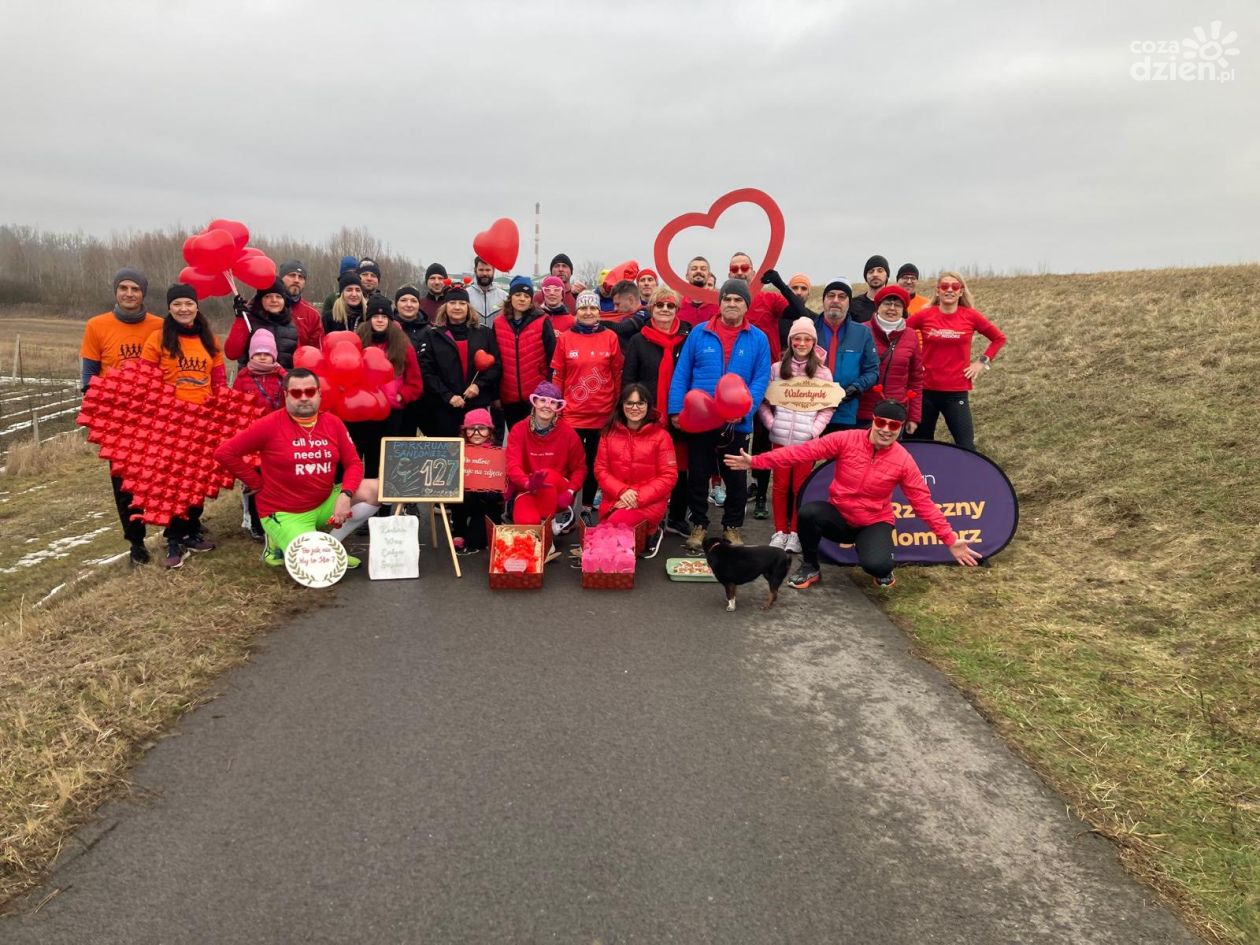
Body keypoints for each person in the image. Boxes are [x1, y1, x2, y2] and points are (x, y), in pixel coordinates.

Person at [726, 399, 981, 588]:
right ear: (873, 421)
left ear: (900, 429)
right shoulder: (847, 439)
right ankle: (811, 567)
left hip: (874, 522)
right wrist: (757, 462)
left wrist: (949, 539)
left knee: (879, 567)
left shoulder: (904, 460)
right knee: (808, 513)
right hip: (839, 515)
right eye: (881, 422)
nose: (886, 429)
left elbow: (923, 503)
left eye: (893, 426)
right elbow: (802, 452)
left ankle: (877, 560)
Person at [215, 368, 381, 570]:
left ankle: (333, 547)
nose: (304, 398)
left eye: (310, 392)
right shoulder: (268, 425)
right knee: (317, 570)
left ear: (319, 393)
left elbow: (354, 463)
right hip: (284, 511)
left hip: (323, 502)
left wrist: (345, 495)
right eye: (296, 393)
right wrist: (255, 482)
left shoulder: (333, 422)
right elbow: (225, 452)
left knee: (377, 489)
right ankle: (277, 540)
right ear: (286, 395)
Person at [667, 278, 772, 552]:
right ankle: (700, 524)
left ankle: (732, 527)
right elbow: (682, 374)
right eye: (728, 299)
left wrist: (746, 409)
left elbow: (761, 379)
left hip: (737, 423)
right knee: (698, 474)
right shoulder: (700, 333)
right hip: (701, 418)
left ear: (746, 305)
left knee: (735, 477)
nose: (732, 304)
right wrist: (676, 409)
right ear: (720, 302)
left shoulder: (758, 338)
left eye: (738, 300)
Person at [80, 267, 164, 564]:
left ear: (143, 294)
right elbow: (89, 373)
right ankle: (137, 542)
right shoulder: (97, 325)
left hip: (154, 414)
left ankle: (174, 528)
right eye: (124, 288)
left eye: (135, 289)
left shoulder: (159, 326)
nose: (129, 293)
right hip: (118, 419)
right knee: (125, 482)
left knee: (161, 475)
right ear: (116, 291)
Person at [140, 284, 226, 568]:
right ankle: (174, 538)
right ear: (169, 308)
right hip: (171, 422)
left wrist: (218, 409)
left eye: (188, 303)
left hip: (202, 421)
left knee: (197, 480)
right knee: (174, 482)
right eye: (177, 304)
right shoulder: (158, 339)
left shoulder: (208, 339)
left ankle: (191, 531)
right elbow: (147, 379)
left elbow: (219, 379)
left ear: (196, 306)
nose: (183, 309)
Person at [762, 270, 877, 433]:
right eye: (830, 295)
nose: (835, 300)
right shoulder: (808, 330)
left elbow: (872, 370)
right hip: (806, 413)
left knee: (841, 459)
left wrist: (856, 388)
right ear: (823, 300)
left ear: (849, 302)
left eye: (842, 296)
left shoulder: (862, 333)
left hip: (844, 412)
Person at [758, 317, 836, 553]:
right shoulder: (776, 368)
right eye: (797, 339)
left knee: (799, 488)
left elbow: (828, 407)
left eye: (806, 339)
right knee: (780, 487)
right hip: (780, 440)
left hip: (806, 443)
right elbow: (764, 403)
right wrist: (772, 424)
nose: (801, 343)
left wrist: (814, 431)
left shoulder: (822, 372)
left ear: (813, 342)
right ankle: (780, 531)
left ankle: (795, 533)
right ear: (791, 341)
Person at [906, 271, 1007, 451]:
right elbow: (902, 333)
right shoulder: (925, 315)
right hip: (925, 391)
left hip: (956, 392)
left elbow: (998, 338)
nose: (949, 290)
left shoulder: (970, 316)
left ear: (961, 292)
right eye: (945, 286)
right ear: (938, 291)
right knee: (921, 445)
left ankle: (968, 478)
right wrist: (912, 360)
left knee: (966, 446)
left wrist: (981, 362)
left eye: (955, 287)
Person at [622, 285, 692, 536]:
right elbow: (629, 379)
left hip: (681, 414)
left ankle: (676, 517)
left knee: (679, 467)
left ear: (676, 309)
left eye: (670, 305)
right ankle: (647, 516)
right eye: (660, 304)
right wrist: (634, 410)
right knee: (646, 468)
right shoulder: (639, 340)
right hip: (647, 414)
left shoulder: (688, 338)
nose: (664, 309)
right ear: (651, 308)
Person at [551, 290, 623, 525]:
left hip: (602, 414)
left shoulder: (611, 337)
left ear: (599, 311)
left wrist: (616, 407)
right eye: (583, 308)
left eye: (592, 308)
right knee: (569, 464)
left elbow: (616, 374)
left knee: (595, 464)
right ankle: (565, 507)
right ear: (576, 312)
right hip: (572, 414)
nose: (588, 312)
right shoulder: (565, 338)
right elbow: (558, 375)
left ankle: (586, 507)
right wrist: (556, 406)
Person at [594, 383, 678, 558]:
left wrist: (636, 497)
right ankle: (644, 537)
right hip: (615, 499)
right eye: (629, 403)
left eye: (640, 403)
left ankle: (650, 533)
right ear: (621, 405)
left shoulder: (661, 437)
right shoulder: (608, 433)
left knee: (613, 531)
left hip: (648, 502)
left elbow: (669, 476)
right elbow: (600, 469)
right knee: (601, 539)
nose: (635, 408)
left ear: (648, 406)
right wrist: (622, 491)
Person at [349, 296, 423, 477]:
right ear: (369, 320)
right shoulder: (357, 342)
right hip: (362, 410)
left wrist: (402, 396)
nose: (380, 320)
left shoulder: (402, 344)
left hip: (391, 412)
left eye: (384, 317)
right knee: (358, 455)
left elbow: (415, 382)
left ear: (390, 320)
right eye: (375, 317)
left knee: (382, 459)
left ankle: (381, 502)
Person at [417, 285, 500, 437]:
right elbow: (426, 371)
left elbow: (495, 365)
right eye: (452, 303)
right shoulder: (432, 336)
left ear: (468, 308)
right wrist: (448, 396)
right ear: (445, 307)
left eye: (462, 304)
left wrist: (478, 385)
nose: (457, 307)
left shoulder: (484, 333)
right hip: (444, 406)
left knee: (476, 453)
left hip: (476, 405)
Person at [504, 382, 586, 530]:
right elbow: (512, 465)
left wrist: (570, 490)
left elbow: (580, 468)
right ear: (534, 402)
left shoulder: (569, 433)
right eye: (542, 400)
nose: (547, 406)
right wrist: (526, 483)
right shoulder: (518, 430)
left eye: (553, 402)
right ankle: (545, 529)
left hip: (558, 491)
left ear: (558, 407)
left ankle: (548, 525)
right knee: (527, 524)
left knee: (546, 475)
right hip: (528, 487)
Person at [231, 329, 287, 540]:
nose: (262, 357)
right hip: (252, 438)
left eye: (267, 353)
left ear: (274, 355)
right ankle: (256, 522)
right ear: (251, 355)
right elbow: (235, 406)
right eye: (257, 353)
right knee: (255, 482)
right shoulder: (243, 379)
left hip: (277, 437)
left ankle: (277, 519)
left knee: (277, 480)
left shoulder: (282, 377)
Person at [856, 285, 924, 433]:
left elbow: (916, 379)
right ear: (878, 306)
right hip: (862, 413)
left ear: (903, 309)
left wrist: (913, 417)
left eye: (898, 305)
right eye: (887, 303)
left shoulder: (911, 336)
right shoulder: (861, 330)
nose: (892, 308)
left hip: (894, 414)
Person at [494, 275, 558, 430]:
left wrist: (548, 388)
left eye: (526, 296)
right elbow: (495, 362)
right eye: (517, 295)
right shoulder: (499, 323)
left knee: (537, 438)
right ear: (510, 298)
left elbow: (553, 358)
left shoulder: (542, 321)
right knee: (516, 437)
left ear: (531, 299)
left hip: (536, 395)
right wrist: (495, 395)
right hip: (509, 395)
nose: (522, 299)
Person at [449, 408, 504, 555]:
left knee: (476, 542)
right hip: (466, 500)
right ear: (465, 431)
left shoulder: (498, 453)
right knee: (459, 495)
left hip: (488, 502)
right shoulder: (458, 451)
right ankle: (458, 529)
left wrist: (489, 489)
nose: (476, 433)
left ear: (490, 431)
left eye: (481, 429)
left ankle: (486, 525)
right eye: (471, 429)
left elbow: (501, 492)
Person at [225, 280, 301, 369]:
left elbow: (298, 359)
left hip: (283, 380)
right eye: (268, 296)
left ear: (284, 301)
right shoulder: (248, 321)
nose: (274, 300)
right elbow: (232, 354)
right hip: (251, 380)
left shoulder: (292, 326)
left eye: (278, 296)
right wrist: (240, 319)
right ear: (260, 300)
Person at [277, 259, 325, 349]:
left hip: (300, 362)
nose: (296, 280)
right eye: (292, 275)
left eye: (301, 277)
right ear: (280, 278)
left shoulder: (312, 314)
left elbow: (316, 350)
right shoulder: (267, 305)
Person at [678, 256, 718, 326]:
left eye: (703, 269)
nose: (698, 271)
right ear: (687, 276)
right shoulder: (677, 304)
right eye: (694, 269)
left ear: (709, 276)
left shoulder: (719, 305)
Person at [849, 254, 889, 323]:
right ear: (866, 277)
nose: (875, 274)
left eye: (880, 271)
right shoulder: (853, 305)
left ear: (887, 276)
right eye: (871, 271)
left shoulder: (895, 304)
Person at [469, 256, 508, 326]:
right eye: (481, 270)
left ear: (493, 271)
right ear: (475, 270)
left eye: (488, 270)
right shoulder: (466, 295)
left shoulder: (504, 296)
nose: (484, 273)